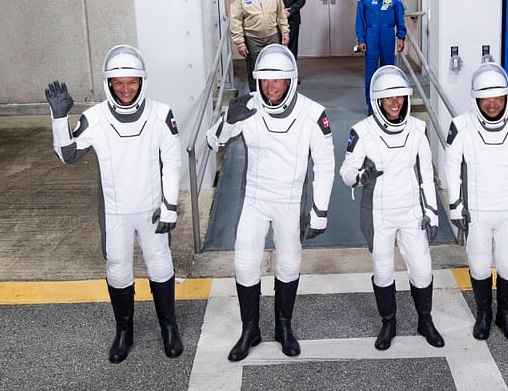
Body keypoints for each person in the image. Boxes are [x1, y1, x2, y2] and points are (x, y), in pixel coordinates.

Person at [44, 45, 183, 363]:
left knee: (160, 265)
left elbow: (172, 163)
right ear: (108, 83)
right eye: (118, 83)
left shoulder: (161, 113)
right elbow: (68, 155)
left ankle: (169, 327)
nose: (125, 89)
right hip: (115, 212)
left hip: (152, 210)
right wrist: (59, 118)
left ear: (142, 80)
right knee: (118, 271)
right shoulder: (94, 118)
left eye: (131, 81)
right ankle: (124, 331)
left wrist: (170, 205)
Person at [206, 44, 335, 361]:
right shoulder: (247, 107)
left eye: (277, 80)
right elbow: (213, 141)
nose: (271, 86)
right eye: (265, 80)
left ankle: (283, 327)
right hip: (254, 200)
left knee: (290, 262)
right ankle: (250, 329)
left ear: (291, 80)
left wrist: (320, 210)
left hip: (290, 202)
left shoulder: (313, 113)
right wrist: (228, 121)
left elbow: (326, 163)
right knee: (244, 264)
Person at [339, 66, 444, 351]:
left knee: (422, 270)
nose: (395, 103)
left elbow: (426, 174)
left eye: (399, 96)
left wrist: (432, 212)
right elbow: (345, 171)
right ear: (378, 101)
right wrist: (361, 176)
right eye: (389, 98)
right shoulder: (362, 132)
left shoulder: (417, 129)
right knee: (383, 271)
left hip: (411, 212)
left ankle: (425, 320)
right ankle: (389, 323)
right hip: (379, 214)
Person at [444, 62, 508, 342]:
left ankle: (505, 314)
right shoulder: (461, 126)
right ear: (476, 98)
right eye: (486, 97)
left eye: (498, 97)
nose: (492, 103)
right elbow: (451, 166)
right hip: (476, 213)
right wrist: (455, 204)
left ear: (507, 96)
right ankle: (484, 314)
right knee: (479, 265)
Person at [231, 0, 290, 91]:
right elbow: (236, 21)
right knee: (255, 71)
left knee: (274, 68)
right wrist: (240, 43)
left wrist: (285, 32)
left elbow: (281, 12)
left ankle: (274, 96)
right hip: (253, 40)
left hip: (272, 37)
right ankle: (256, 98)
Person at [356, 0, 407, 113]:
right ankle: (371, 107)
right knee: (370, 75)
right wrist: (361, 39)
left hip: (387, 38)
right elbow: (359, 20)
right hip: (371, 39)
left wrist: (401, 37)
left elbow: (399, 18)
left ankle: (387, 106)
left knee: (388, 73)